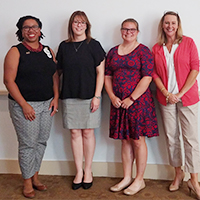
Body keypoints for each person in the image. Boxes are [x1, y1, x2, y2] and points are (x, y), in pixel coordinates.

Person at [3, 16, 59, 198]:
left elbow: (54, 75)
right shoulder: (15, 51)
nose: (31, 30)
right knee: (28, 145)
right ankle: (27, 183)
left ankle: (35, 177)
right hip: (25, 106)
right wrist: (24, 105)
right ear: (21, 31)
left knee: (41, 142)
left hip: (47, 104)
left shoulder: (48, 50)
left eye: (34, 26)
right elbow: (8, 81)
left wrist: (56, 97)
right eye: (26, 27)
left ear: (40, 30)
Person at [104, 18, 159, 196]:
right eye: (125, 29)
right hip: (118, 103)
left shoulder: (143, 51)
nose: (128, 32)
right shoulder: (112, 52)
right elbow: (107, 76)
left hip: (138, 103)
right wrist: (112, 96)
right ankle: (126, 177)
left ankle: (139, 179)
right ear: (121, 31)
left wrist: (131, 98)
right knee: (125, 140)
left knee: (137, 140)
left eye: (132, 29)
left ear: (137, 31)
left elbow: (147, 77)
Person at [152, 11, 200, 199]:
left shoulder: (188, 43)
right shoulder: (156, 48)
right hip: (166, 99)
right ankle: (178, 173)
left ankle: (194, 179)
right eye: (166, 23)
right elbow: (154, 73)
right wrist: (166, 93)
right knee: (172, 138)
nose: (170, 26)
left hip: (187, 98)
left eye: (173, 23)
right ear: (162, 25)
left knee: (191, 139)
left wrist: (179, 94)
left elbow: (195, 68)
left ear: (178, 25)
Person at [56, 11, 105, 190]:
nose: (79, 25)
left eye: (82, 22)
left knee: (88, 133)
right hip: (69, 95)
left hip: (90, 96)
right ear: (71, 25)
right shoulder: (64, 46)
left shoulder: (94, 45)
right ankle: (78, 171)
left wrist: (97, 96)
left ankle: (88, 170)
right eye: (76, 22)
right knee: (75, 133)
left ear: (87, 25)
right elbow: (57, 73)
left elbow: (101, 72)